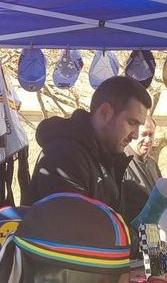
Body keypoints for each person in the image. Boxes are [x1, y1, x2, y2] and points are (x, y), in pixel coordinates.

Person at [29, 75, 152, 217]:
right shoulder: (63, 156)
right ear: (105, 113)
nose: (135, 135)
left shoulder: (109, 159)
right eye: (131, 123)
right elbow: (74, 229)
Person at [121, 117, 161, 220]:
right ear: (133, 134)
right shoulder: (121, 160)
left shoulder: (152, 164)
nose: (148, 140)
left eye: (151, 135)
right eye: (143, 134)